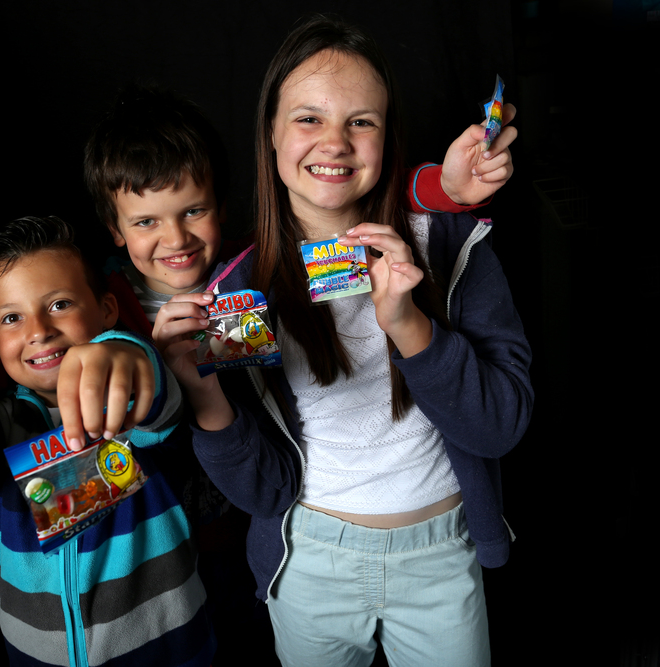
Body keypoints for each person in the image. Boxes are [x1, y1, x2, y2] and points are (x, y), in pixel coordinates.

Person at [0, 83, 515, 442]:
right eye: (145, 222)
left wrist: (447, 191)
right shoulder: (94, 301)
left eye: (192, 211)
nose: (174, 239)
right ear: (115, 232)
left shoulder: (259, 263)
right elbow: (14, 372)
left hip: (268, 494)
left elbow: (365, 215)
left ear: (223, 206)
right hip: (153, 518)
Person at [152, 15, 532, 667]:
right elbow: (261, 491)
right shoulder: (238, 293)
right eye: (308, 118)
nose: (335, 141)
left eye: (361, 121)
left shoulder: (451, 244)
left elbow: (499, 427)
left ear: (387, 137)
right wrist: (202, 394)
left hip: (442, 554)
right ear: (271, 133)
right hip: (310, 561)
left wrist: (410, 325)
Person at [0, 216, 216, 667]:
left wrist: (125, 350)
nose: (38, 330)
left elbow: (153, 396)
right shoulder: (2, 421)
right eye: (12, 318)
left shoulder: (131, 407)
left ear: (107, 310)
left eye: (60, 304)